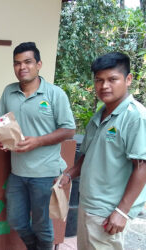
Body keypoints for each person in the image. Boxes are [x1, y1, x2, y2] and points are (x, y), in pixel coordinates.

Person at [59, 52, 146, 250]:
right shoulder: (100, 115)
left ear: (128, 79)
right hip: (89, 204)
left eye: (112, 79)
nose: (104, 86)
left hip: (109, 212)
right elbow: (87, 155)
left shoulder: (136, 117)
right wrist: (69, 175)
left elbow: (142, 167)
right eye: (99, 80)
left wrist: (122, 212)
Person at [0, 42, 76, 250]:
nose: (22, 67)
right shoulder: (9, 91)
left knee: (42, 226)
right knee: (16, 220)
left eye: (28, 62)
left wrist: (38, 141)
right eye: (17, 63)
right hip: (18, 171)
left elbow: (69, 130)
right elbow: (3, 122)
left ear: (39, 64)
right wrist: (2, 139)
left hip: (45, 172)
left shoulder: (54, 94)